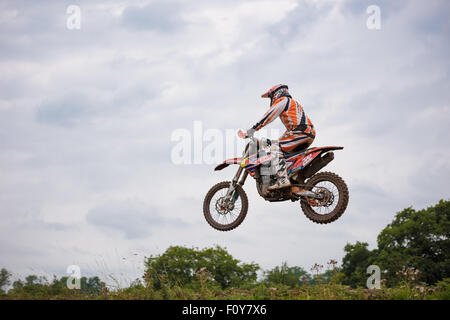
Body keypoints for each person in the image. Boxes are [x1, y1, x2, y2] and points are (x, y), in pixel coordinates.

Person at [238, 84, 316, 191]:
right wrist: (277, 140)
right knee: (280, 149)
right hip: (307, 133)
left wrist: (251, 131)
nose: (270, 100)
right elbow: (293, 127)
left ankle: (282, 179)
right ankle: (294, 178)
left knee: (275, 148)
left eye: (270, 97)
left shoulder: (283, 101)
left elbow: (268, 116)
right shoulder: (293, 104)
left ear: (276, 94)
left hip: (301, 133)